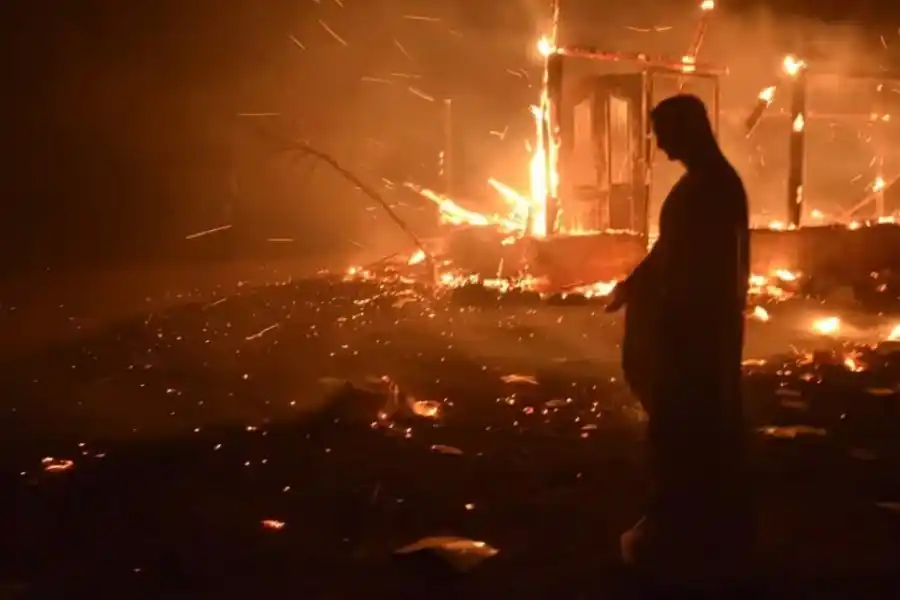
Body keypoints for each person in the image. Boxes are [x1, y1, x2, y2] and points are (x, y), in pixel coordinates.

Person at [606, 94, 753, 590]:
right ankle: (688, 532)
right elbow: (668, 250)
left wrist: (670, 319)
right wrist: (635, 285)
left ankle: (689, 542)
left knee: (691, 432)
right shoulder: (704, 186)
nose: (662, 147)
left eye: (665, 134)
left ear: (689, 130)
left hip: (697, 337)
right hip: (692, 333)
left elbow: (701, 270)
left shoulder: (713, 189)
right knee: (684, 432)